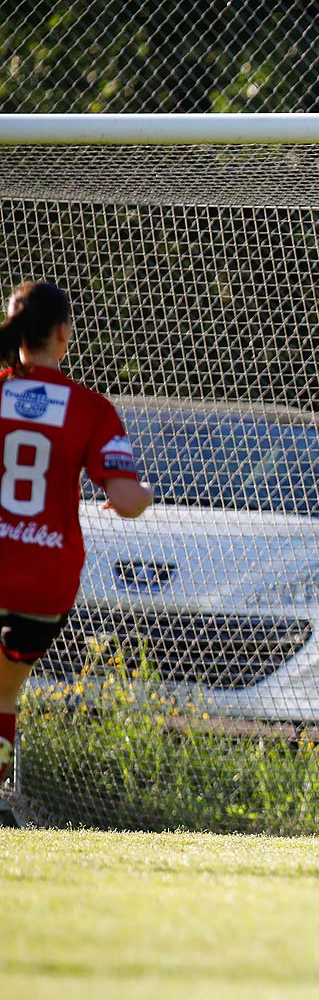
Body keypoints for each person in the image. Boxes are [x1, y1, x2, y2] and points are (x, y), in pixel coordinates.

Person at [0, 281, 153, 807]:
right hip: (46, 579)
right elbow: (128, 500)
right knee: (3, 692)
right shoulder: (90, 408)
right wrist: (144, 494)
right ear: (63, 334)